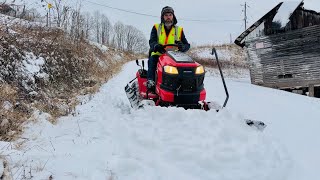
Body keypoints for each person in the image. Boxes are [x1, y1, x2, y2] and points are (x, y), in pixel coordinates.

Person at [147, 6, 190, 91]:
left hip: (175, 56)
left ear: (173, 16)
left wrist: (183, 47)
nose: (168, 17)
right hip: (159, 54)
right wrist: (156, 46)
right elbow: (152, 41)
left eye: (170, 15)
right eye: (166, 15)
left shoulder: (179, 30)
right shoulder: (156, 27)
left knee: (186, 68)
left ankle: (186, 85)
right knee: (152, 60)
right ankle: (151, 81)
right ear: (162, 17)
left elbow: (187, 45)